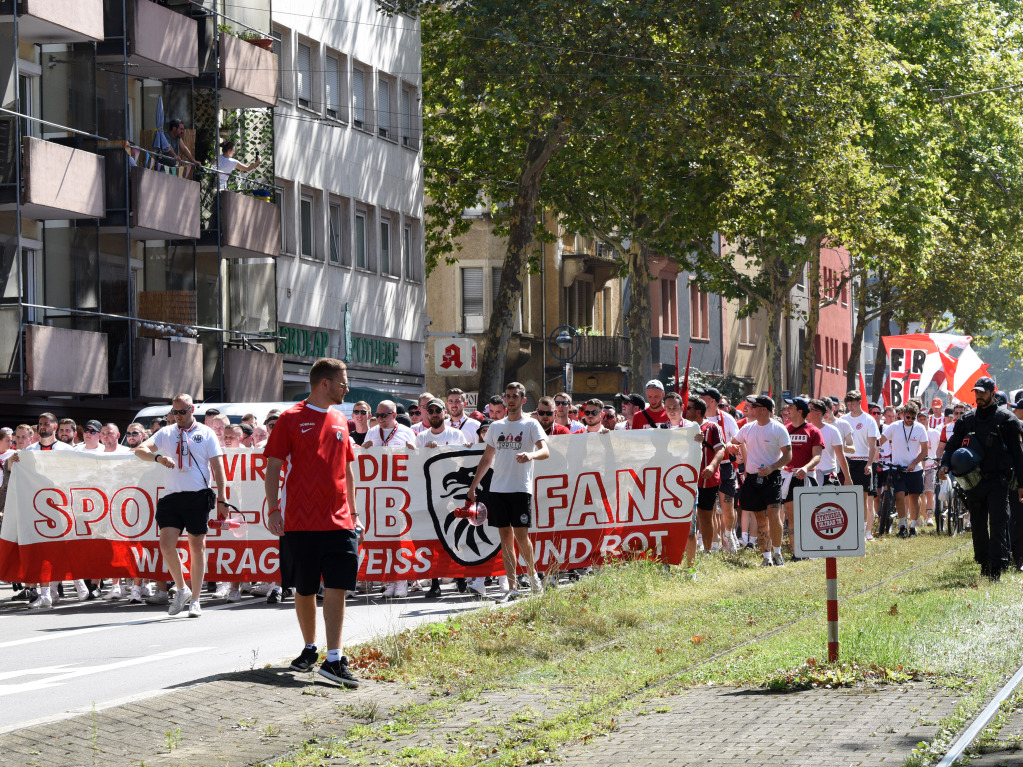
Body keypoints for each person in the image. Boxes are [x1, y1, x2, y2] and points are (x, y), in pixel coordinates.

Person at [263, 358, 362, 687]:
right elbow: (274, 466)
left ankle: (333, 659)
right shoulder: (291, 419)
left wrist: (355, 511)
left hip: (340, 520)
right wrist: (274, 509)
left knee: (338, 585)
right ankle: (310, 647)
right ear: (325, 383)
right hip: (301, 522)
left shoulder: (340, 418)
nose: (346, 388)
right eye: (343, 383)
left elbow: (347, 469)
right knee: (304, 588)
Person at [135, 394, 228, 618]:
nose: (178, 416)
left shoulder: (206, 433)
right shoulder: (167, 432)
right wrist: (158, 458)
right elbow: (140, 450)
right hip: (172, 496)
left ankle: (195, 599)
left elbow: (218, 467)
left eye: (182, 411)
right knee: (166, 545)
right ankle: (182, 588)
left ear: (192, 409)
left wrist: (223, 499)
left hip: (197, 495)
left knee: (197, 546)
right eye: (174, 412)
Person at [466, 382, 549, 601]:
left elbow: (545, 451)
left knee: (522, 536)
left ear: (523, 400)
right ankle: (512, 588)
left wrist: (530, 455)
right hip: (498, 489)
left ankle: (533, 579)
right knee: (505, 538)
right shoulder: (496, 426)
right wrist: (474, 486)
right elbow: (487, 458)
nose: (510, 400)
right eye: (508, 396)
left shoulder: (531, 425)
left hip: (520, 488)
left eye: (514, 396)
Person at [940, 377, 1023, 580]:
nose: (979, 396)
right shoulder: (967, 419)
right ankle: (984, 563)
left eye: (983, 392)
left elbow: (1018, 453)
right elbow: (952, 444)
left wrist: (1022, 483)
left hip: (998, 481)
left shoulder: (1007, 420)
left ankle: (996, 567)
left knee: (997, 523)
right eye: (976, 392)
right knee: (977, 525)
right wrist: (945, 463)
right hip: (974, 481)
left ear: (992, 393)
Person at [415, 398, 472, 599]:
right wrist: (424, 453)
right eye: (430, 411)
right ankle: (435, 582)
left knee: (457, 536)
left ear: (444, 413)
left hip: (453, 494)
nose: (434, 414)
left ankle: (461, 577)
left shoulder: (455, 434)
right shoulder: (421, 437)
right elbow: (416, 467)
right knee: (435, 538)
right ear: (427, 414)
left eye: (438, 410)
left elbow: (464, 462)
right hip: (432, 494)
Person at [732, 395, 792, 567]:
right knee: (760, 518)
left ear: (763, 409)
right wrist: (734, 449)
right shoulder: (747, 428)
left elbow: (788, 455)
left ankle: (778, 553)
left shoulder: (778, 428)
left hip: (772, 477)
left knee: (774, 514)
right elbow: (733, 443)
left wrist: (772, 467)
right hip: (752, 478)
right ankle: (766, 556)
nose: (749, 408)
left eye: (753, 406)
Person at [877, 402, 929, 538]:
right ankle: (902, 526)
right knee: (899, 496)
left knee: (914, 497)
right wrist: (871, 450)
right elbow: (879, 441)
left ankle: (912, 526)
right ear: (903, 415)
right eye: (908, 417)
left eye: (913, 417)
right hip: (898, 468)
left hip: (914, 469)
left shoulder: (920, 428)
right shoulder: (894, 427)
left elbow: (924, 451)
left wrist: (914, 463)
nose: (910, 420)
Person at [699, 387, 741, 552]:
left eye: (704, 396)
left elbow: (738, 440)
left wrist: (732, 446)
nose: (700, 397)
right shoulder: (696, 418)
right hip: (704, 468)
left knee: (727, 509)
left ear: (713, 401)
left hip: (724, 466)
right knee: (707, 509)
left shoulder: (727, 418)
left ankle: (729, 534)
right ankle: (712, 542)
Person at [781, 397, 823, 558]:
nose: (787, 409)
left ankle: (810, 549)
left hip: (806, 477)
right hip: (789, 477)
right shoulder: (785, 428)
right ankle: (796, 553)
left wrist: (806, 468)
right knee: (791, 516)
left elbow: (817, 456)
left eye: (791, 406)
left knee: (807, 515)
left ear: (800, 411)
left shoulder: (813, 431)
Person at [684, 398, 725, 559]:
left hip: (706, 478)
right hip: (686, 478)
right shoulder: (683, 427)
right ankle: (688, 548)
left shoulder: (712, 427)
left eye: (689, 408)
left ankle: (708, 550)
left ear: (698, 411)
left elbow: (721, 450)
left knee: (705, 515)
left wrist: (712, 466)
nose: (685, 411)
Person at [840, 390, 880, 541]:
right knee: (848, 497)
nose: (850, 406)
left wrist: (869, 463)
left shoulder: (869, 420)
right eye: (848, 403)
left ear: (859, 402)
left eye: (853, 403)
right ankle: (850, 530)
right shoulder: (843, 420)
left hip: (863, 460)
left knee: (863, 498)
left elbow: (873, 445)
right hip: (846, 461)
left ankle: (864, 532)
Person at [807, 399, 852, 487]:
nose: (806, 411)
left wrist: (847, 477)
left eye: (810, 409)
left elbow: (841, 456)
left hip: (828, 476)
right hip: (809, 475)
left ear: (818, 413)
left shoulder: (832, 430)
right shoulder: (804, 430)